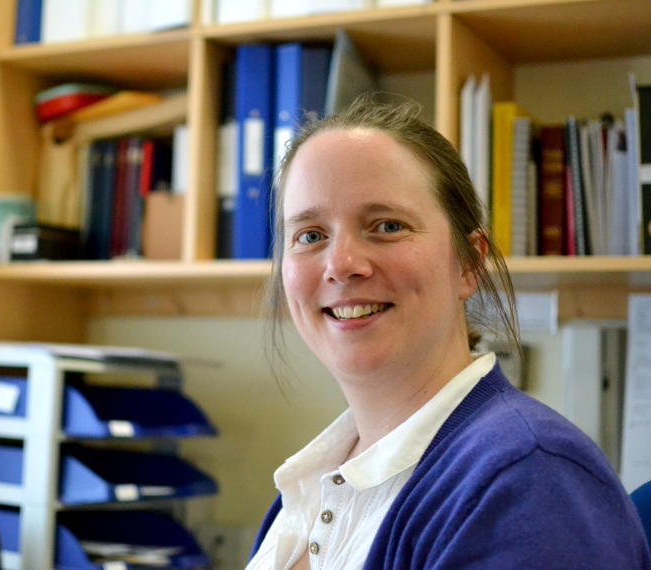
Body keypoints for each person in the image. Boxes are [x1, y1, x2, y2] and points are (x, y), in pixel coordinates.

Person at [246, 96, 651, 569]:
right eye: (310, 235)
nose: (341, 266)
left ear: (469, 263)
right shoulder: (312, 484)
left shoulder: (528, 478)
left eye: (387, 226)